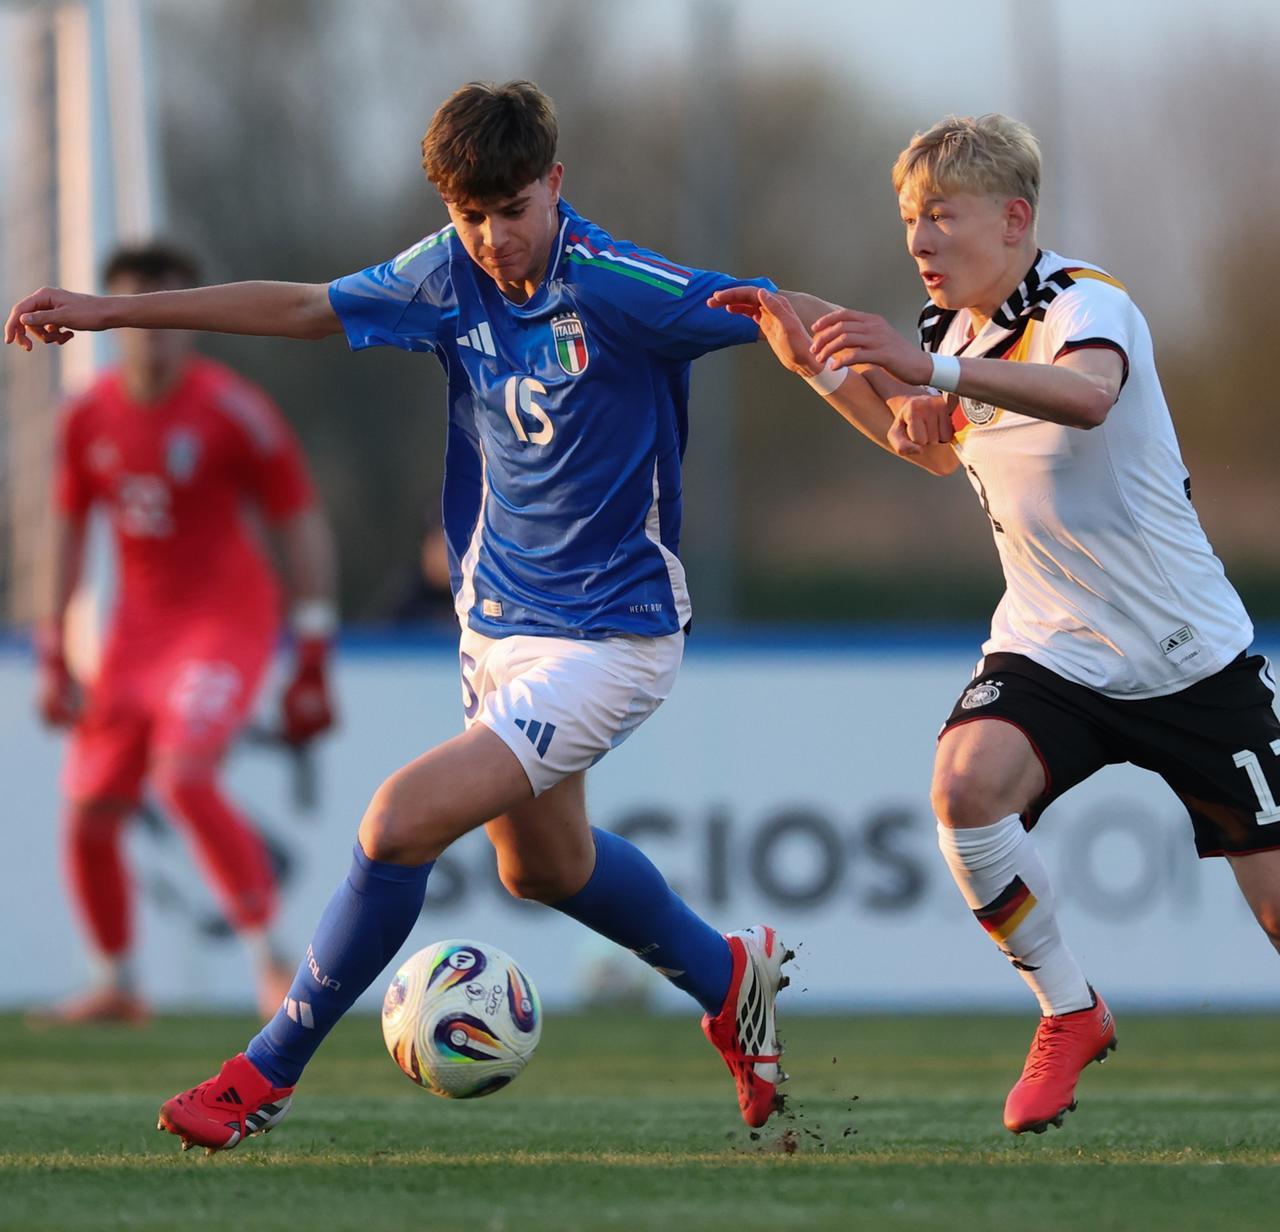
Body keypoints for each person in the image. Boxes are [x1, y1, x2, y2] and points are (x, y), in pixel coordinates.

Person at [6, 82, 808, 1151]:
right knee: (545, 869)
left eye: (511, 209)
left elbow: (763, 309)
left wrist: (890, 381)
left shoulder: (614, 286)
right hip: (498, 631)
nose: (491, 237)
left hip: (611, 638)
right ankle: (728, 978)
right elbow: (300, 305)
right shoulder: (444, 272)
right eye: (469, 214)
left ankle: (265, 1072)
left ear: (554, 187)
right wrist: (112, 314)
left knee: (395, 820)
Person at [712, 114, 1280, 1136]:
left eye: (939, 216)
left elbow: (1087, 397)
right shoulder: (950, 336)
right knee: (963, 787)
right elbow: (930, 450)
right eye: (906, 221)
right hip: (1050, 647)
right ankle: (1068, 1007)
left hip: (1188, 661)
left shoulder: (1083, 301)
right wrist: (824, 371)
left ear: (1013, 217)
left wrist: (933, 378)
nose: (917, 241)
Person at [28, 243, 338, 1026]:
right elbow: (63, 534)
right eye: (137, 310)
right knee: (90, 813)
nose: (153, 332)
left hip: (224, 623)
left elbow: (299, 524)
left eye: (166, 310)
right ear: (118, 319)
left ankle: (276, 966)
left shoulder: (233, 411)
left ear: (184, 318)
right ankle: (117, 982)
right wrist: (54, 648)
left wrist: (312, 649)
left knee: (183, 778)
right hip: (135, 637)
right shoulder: (88, 417)